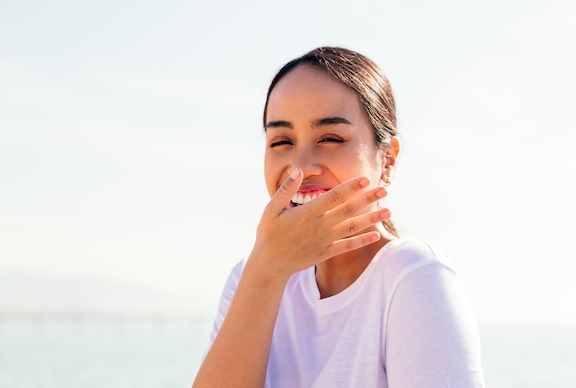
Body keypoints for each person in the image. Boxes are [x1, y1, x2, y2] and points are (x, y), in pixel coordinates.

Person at [192, 46, 485, 388]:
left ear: (387, 160)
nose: (300, 168)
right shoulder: (251, 276)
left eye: (330, 138)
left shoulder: (411, 276)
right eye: (281, 141)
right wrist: (265, 274)